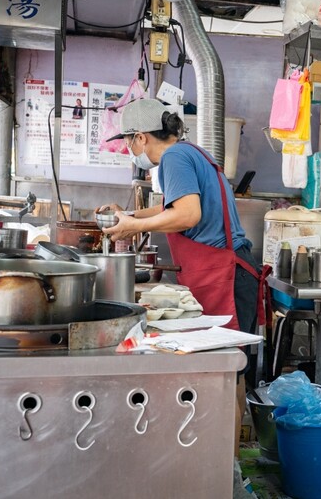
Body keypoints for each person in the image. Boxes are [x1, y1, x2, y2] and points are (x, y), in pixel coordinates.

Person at [96, 98, 267, 444]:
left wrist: (133, 228)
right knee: (232, 375)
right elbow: (171, 206)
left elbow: (187, 214)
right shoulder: (191, 152)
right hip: (232, 272)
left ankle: (226, 479)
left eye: (129, 140)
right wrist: (129, 216)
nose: (130, 149)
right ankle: (230, 475)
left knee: (223, 378)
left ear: (142, 137)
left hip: (225, 275)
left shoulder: (173, 158)